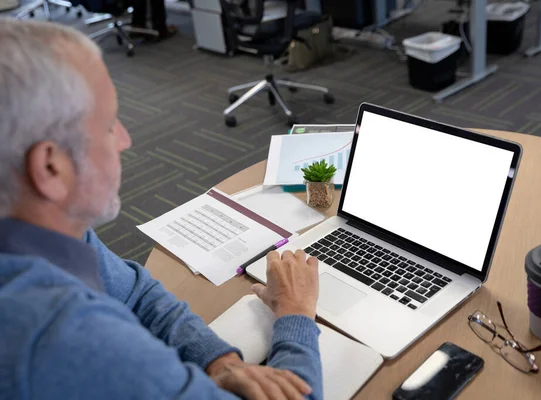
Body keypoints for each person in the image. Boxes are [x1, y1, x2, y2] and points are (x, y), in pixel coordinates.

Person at [0, 18, 322, 400]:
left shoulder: (41, 226)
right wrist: (295, 312)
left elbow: (134, 293)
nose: (125, 139)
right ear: (51, 167)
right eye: (107, 126)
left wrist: (221, 361)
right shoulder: (62, 335)